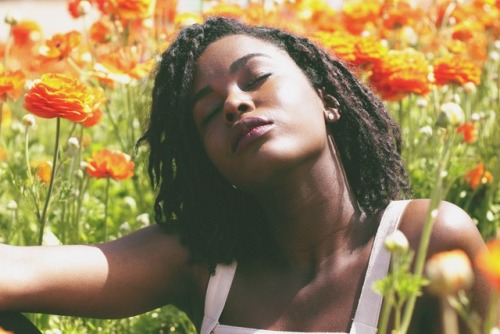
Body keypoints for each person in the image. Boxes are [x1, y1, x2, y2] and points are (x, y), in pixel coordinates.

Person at [0, 17, 493, 334]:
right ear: (208, 162)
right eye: (208, 114)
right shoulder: (202, 261)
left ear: (329, 100)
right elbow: (15, 272)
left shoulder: (427, 239)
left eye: (255, 79)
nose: (235, 103)